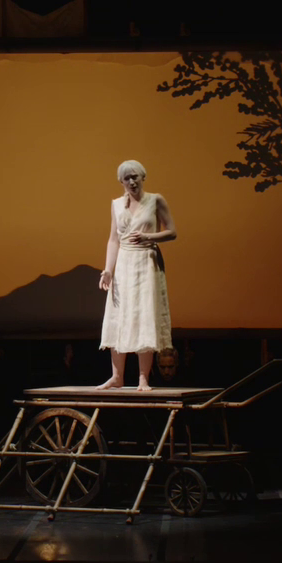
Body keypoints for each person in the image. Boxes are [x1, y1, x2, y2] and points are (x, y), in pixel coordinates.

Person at [97, 160, 177, 391]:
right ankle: (117, 376)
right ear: (121, 182)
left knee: (144, 315)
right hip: (124, 263)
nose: (131, 182)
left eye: (135, 176)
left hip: (146, 261)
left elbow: (172, 232)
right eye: (127, 178)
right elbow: (113, 239)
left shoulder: (155, 200)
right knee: (118, 315)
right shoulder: (116, 204)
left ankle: (143, 378)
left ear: (143, 177)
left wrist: (148, 237)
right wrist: (108, 269)